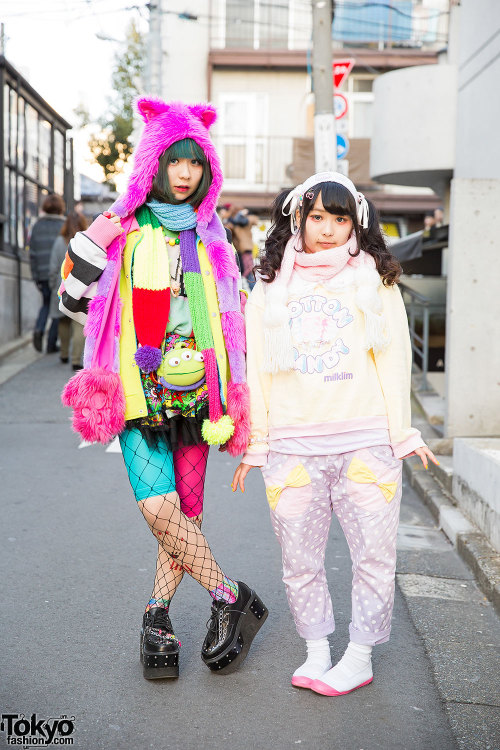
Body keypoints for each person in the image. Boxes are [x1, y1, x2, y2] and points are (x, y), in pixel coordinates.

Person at [59, 99, 268, 680]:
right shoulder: (123, 227)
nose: (185, 173)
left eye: (195, 163)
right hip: (137, 390)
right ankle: (231, 598)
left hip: (200, 396)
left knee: (187, 515)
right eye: (174, 161)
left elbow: (233, 314)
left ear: (207, 171)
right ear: (153, 163)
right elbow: (72, 301)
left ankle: (157, 619)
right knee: (158, 508)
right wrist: (100, 237)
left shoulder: (211, 236)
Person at [232, 172, 437, 697]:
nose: (326, 229)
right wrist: (256, 443)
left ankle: (360, 655)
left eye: (339, 218)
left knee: (374, 554)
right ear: (298, 217)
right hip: (292, 446)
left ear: (356, 222)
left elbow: (393, 364)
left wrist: (403, 434)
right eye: (317, 216)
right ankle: (318, 650)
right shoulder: (270, 284)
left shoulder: (375, 279)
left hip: (364, 441)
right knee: (299, 559)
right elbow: (258, 371)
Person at [49, 212, 88, 370]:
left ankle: (64, 354)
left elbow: (52, 267)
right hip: (81, 286)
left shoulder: (59, 242)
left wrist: (53, 286)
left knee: (63, 321)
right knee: (78, 323)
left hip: (61, 287)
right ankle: (76, 360)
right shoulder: (86, 241)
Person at [29, 193, 66, 353]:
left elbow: (32, 253)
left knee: (45, 304)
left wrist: (35, 275)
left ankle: (39, 328)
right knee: (58, 307)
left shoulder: (37, 226)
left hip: (42, 275)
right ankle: (51, 343)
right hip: (59, 275)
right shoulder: (64, 226)